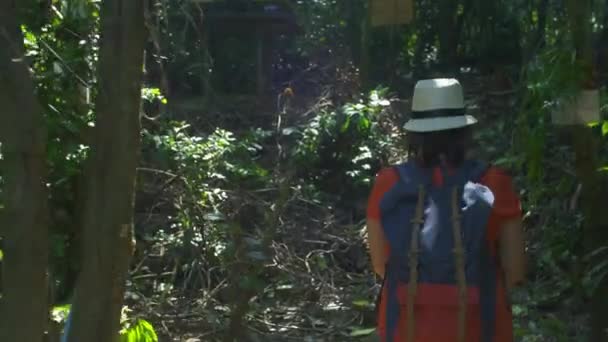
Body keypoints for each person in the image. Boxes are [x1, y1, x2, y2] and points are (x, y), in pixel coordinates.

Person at [366, 78, 526, 342]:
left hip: (406, 325)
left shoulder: (388, 183)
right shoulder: (495, 182)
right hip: (481, 324)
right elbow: (515, 270)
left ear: (415, 133)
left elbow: (381, 264)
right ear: (463, 131)